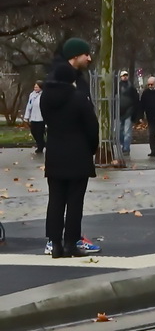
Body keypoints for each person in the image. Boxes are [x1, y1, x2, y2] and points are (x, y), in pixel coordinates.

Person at [41, 38, 101, 257]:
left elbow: (45, 121)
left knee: (55, 200)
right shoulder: (79, 99)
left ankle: (54, 243)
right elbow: (92, 127)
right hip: (77, 155)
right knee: (75, 202)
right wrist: (90, 148)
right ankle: (71, 243)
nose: (89, 58)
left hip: (55, 153)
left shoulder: (46, 98)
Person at [117, 70, 139, 156]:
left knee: (127, 131)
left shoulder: (132, 88)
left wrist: (135, 113)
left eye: (126, 75)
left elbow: (136, 100)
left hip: (129, 112)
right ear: (120, 77)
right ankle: (123, 145)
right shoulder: (117, 87)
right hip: (119, 112)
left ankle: (126, 148)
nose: (125, 77)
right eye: (123, 75)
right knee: (119, 131)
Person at [23, 80, 45, 154]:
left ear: (41, 88)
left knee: (39, 133)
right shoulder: (32, 95)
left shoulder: (43, 95)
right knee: (33, 132)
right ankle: (41, 143)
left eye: (37, 87)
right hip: (33, 118)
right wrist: (26, 117)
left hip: (41, 118)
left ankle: (40, 147)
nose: (35, 88)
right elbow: (29, 106)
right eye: (34, 87)